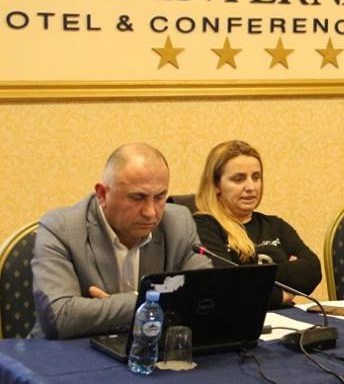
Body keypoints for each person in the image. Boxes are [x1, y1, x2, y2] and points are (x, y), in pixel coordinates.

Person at [31, 143, 211, 339]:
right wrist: (144, 301)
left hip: (147, 347)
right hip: (69, 351)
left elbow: (205, 298)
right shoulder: (61, 228)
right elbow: (61, 317)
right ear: (102, 194)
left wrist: (106, 307)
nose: (150, 212)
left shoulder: (179, 223)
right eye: (137, 198)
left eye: (159, 197)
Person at [193, 140, 321, 309]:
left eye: (256, 177)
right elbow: (226, 287)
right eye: (239, 179)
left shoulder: (275, 225)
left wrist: (248, 274)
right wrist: (281, 294)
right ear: (216, 184)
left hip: (288, 319)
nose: (251, 187)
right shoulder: (204, 227)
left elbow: (313, 271)